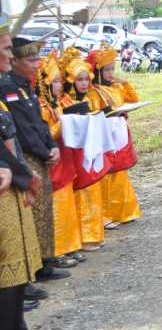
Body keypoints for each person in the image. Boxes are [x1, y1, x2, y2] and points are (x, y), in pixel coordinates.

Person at [0, 18, 53, 330]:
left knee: (19, 265)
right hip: (8, 183)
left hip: (14, 183)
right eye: (5, 49)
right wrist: (19, 173)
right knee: (6, 269)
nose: (9, 54)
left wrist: (21, 174)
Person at [0, 37, 68, 282]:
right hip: (25, 158)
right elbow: (21, 129)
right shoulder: (6, 87)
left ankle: (44, 262)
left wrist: (52, 146)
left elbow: (38, 121)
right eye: (31, 59)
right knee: (29, 218)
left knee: (44, 212)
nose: (37, 64)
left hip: (40, 154)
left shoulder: (25, 86)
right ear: (15, 60)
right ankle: (32, 272)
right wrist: (42, 151)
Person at [36, 52, 83, 267]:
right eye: (55, 82)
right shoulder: (41, 108)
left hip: (65, 161)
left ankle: (71, 245)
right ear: (44, 85)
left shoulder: (58, 104)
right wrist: (64, 123)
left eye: (60, 81)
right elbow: (46, 134)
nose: (59, 86)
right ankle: (58, 250)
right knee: (57, 208)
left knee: (67, 207)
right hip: (53, 163)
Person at [85, 46, 141, 227]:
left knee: (120, 171)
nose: (111, 73)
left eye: (112, 69)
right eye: (107, 70)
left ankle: (124, 211)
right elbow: (94, 112)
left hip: (119, 132)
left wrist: (123, 82)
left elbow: (133, 98)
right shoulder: (94, 91)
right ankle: (107, 214)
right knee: (107, 172)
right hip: (105, 135)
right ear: (97, 70)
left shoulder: (116, 87)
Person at [59, 50, 106, 251]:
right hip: (74, 153)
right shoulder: (64, 102)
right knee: (81, 193)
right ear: (71, 80)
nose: (84, 83)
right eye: (79, 79)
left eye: (87, 79)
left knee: (92, 190)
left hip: (90, 148)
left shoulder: (93, 97)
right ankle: (82, 236)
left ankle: (94, 234)